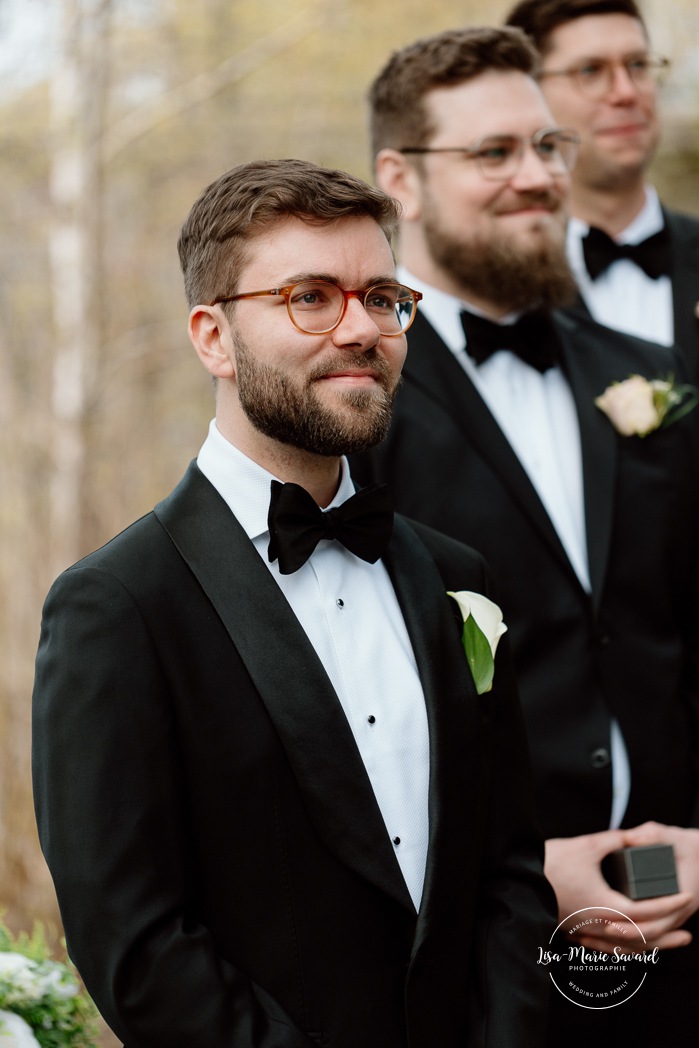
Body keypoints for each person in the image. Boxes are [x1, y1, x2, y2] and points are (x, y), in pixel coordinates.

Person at [32, 158, 554, 1048]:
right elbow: (137, 943)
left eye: (382, 296)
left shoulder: (456, 576)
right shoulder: (115, 608)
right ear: (213, 338)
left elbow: (509, 873)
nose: (361, 328)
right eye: (310, 296)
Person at [352, 25, 699, 1044]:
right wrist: (522, 863)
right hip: (486, 953)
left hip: (685, 927)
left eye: (547, 148)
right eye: (493, 153)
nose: (537, 176)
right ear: (399, 181)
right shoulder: (356, 404)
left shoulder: (652, 375)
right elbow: (346, 697)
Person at [505, 0, 699, 371]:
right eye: (591, 70)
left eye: (638, 65)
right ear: (530, 93)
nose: (626, 92)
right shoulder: (498, 284)